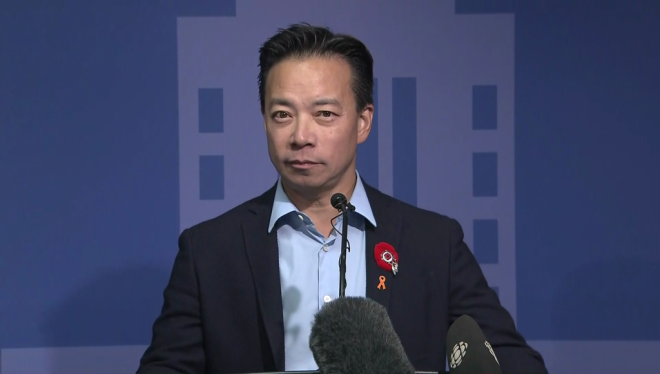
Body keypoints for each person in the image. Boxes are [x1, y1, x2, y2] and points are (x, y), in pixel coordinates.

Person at [137, 23, 547, 374]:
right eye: (282, 114)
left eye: (324, 114)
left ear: (363, 121)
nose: (300, 135)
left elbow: (512, 362)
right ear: (264, 119)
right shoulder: (208, 251)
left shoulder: (433, 244)